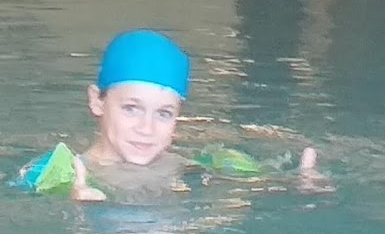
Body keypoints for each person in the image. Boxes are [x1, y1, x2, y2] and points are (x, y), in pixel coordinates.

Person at [20, 29, 320, 203]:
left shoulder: (184, 166)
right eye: (131, 108)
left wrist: (298, 178)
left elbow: (256, 179)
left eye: (163, 114)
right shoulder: (58, 171)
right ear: (97, 101)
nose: (146, 128)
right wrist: (72, 207)